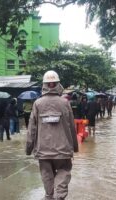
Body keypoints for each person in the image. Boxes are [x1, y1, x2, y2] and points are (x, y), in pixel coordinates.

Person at [26, 70, 78, 200]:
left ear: (44, 85)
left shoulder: (37, 103)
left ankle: (49, 196)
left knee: (46, 175)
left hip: (43, 150)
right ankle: (60, 196)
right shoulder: (65, 103)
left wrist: (28, 148)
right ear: (58, 84)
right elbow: (72, 126)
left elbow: (32, 128)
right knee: (64, 171)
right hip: (63, 149)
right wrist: (75, 147)